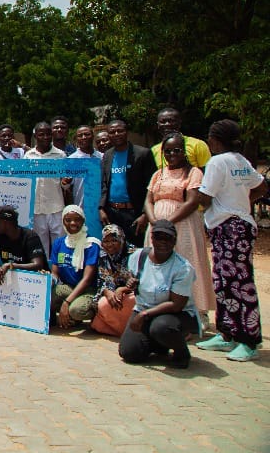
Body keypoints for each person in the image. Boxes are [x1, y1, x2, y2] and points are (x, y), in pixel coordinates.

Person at [194, 119, 267, 362]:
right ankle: (227, 333)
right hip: (234, 225)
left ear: (216, 140)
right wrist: (243, 203)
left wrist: (193, 195)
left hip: (230, 228)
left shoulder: (217, 161)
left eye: (210, 138)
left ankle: (248, 340)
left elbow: (204, 197)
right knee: (224, 281)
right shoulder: (240, 160)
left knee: (240, 282)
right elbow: (261, 186)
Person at [142, 132, 214, 317]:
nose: (171, 154)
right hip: (156, 228)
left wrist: (167, 223)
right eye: (167, 151)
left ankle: (196, 313)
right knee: (159, 267)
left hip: (182, 227)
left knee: (188, 265)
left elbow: (192, 202)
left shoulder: (194, 172)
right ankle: (161, 309)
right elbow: (148, 201)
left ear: (184, 152)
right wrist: (154, 222)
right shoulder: (158, 174)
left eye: (176, 150)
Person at [119, 220, 198, 368]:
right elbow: (127, 273)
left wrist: (144, 315)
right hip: (145, 308)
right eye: (158, 237)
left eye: (167, 238)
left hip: (175, 315)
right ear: (152, 238)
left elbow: (176, 304)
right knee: (129, 352)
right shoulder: (139, 256)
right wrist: (130, 280)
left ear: (174, 241)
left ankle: (182, 352)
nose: (162, 242)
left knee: (161, 327)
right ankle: (160, 345)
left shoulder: (183, 268)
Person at [99, 119, 155, 250]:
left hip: (134, 213)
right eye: (112, 132)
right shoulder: (107, 155)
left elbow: (152, 186)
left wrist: (145, 214)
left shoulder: (142, 154)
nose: (116, 134)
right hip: (112, 213)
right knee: (116, 251)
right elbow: (104, 184)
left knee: (137, 251)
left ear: (127, 132)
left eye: (120, 131)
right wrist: (101, 208)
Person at [50, 205, 100, 328]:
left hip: (87, 290)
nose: (73, 223)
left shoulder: (91, 244)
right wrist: (50, 281)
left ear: (83, 221)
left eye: (77, 219)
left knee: (76, 310)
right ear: (63, 221)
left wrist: (66, 302)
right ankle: (59, 319)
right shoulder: (59, 243)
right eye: (68, 220)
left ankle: (92, 314)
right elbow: (55, 273)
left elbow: (87, 280)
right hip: (69, 287)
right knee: (47, 296)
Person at [25, 121, 68, 257]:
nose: (45, 137)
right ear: (35, 136)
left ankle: (59, 273)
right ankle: (44, 273)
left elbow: (65, 184)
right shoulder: (28, 156)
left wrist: (66, 182)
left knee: (59, 243)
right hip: (37, 210)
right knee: (40, 245)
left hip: (56, 207)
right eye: (41, 134)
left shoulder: (60, 155)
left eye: (48, 134)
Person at [89, 224, 136, 336]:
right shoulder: (103, 256)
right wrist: (107, 292)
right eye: (106, 241)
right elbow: (101, 281)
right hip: (113, 295)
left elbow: (141, 281)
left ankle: (127, 330)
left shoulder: (134, 254)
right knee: (102, 304)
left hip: (132, 294)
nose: (109, 245)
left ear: (121, 239)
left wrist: (123, 289)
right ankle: (121, 329)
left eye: (114, 240)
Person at [0, 205, 46, 285]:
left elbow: (38, 265)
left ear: (6, 222)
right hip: (12, 283)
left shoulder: (30, 236)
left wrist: (12, 266)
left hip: (34, 282)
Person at [65, 125, 103, 211]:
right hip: (80, 209)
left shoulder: (102, 157)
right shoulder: (71, 160)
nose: (84, 137)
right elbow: (67, 188)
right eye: (80, 135)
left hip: (101, 209)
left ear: (93, 136)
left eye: (87, 134)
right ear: (76, 139)